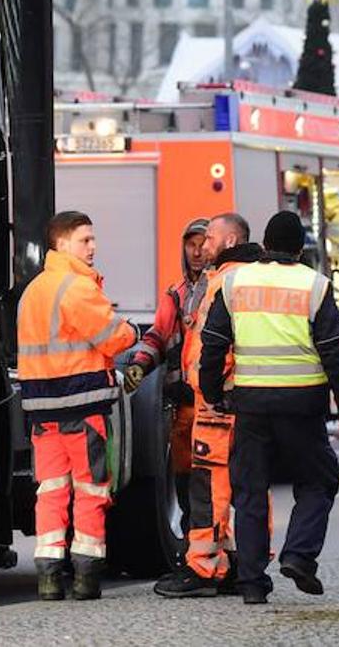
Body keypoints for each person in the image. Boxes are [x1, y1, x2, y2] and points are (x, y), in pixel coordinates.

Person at [198, 210, 339, 605]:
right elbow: (334, 348)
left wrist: (212, 391)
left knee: (250, 491)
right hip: (303, 404)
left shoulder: (235, 282)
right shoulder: (315, 285)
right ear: (300, 249)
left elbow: (213, 341)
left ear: (265, 245)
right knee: (319, 482)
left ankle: (252, 584)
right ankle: (299, 555)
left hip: (250, 403)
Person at [18, 211, 139, 601]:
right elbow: (113, 338)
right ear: (62, 244)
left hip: (42, 413)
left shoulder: (32, 291)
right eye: (85, 240)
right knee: (90, 490)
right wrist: (135, 331)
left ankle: (49, 578)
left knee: (50, 491)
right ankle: (86, 578)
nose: (93, 247)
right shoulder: (77, 287)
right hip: (83, 407)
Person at [154, 213, 263, 598]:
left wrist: (212, 390)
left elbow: (219, 345)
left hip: (216, 401)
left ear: (230, 240)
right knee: (244, 485)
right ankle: (239, 564)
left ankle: (202, 567)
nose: (204, 247)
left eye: (212, 238)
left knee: (209, 485)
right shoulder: (250, 278)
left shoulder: (223, 282)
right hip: (243, 399)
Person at [123, 218, 211, 520]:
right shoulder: (176, 294)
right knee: (187, 483)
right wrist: (138, 366)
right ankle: (198, 553)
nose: (197, 252)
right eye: (191, 245)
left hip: (216, 404)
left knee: (217, 486)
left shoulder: (224, 287)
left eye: (202, 245)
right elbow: (157, 337)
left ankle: (217, 555)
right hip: (184, 405)